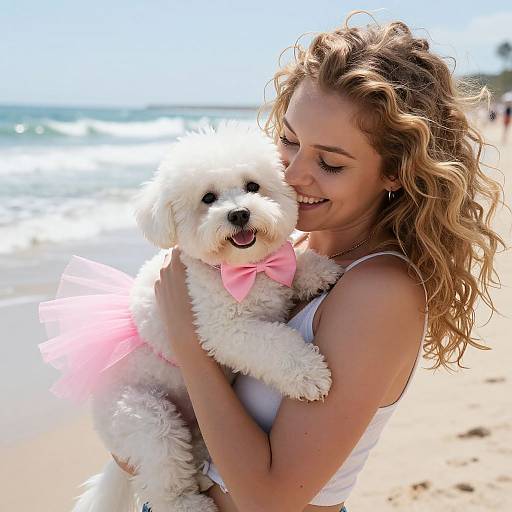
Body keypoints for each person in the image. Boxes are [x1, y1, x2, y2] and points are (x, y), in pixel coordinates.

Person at [114, 12, 504, 512]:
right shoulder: (290, 242)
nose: (294, 175)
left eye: (330, 163)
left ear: (395, 172)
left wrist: (190, 344)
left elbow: (269, 499)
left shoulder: (380, 292)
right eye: (290, 140)